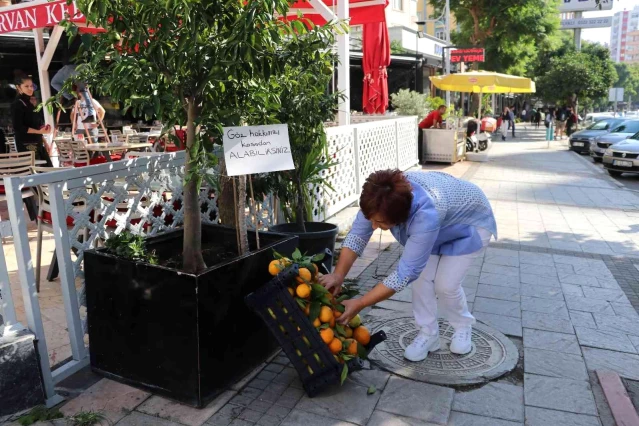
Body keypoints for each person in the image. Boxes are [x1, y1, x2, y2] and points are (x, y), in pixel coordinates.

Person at [319, 170, 497, 361]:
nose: (372, 226)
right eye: (370, 218)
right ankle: (428, 334)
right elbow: (357, 236)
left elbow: (404, 273)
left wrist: (361, 303)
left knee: (446, 285)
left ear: (399, 219)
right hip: (440, 222)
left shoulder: (425, 215)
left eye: (379, 222)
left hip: (469, 224)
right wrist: (338, 275)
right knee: (421, 279)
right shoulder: (377, 198)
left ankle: (463, 326)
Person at [10, 74, 53, 166]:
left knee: (48, 172)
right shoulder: (17, 104)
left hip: (38, 143)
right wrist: (39, 132)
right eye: (26, 86)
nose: (30, 88)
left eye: (31, 86)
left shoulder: (29, 103)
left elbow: (36, 125)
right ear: (18, 87)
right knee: (35, 173)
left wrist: (44, 141)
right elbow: (18, 127)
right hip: (26, 144)